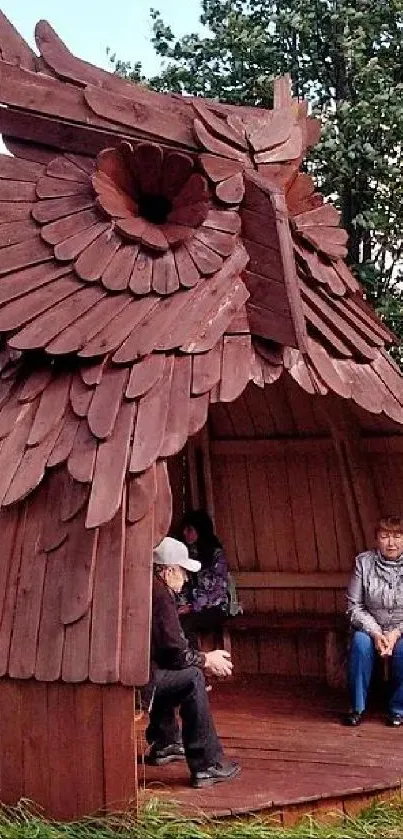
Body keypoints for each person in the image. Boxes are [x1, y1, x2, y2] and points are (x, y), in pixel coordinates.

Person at [143, 536, 241, 788]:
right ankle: (206, 764)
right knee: (192, 678)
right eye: (183, 571)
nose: (186, 579)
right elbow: (177, 654)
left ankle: (165, 743)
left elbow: (168, 651)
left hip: (140, 672)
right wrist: (206, 660)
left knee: (179, 672)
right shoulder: (160, 595)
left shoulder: (148, 588)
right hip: (141, 682)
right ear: (169, 570)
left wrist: (197, 659)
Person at [345, 516, 403, 727]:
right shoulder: (363, 562)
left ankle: (398, 709)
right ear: (377, 539)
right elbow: (354, 607)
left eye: (397, 536)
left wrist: (396, 633)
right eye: (385, 536)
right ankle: (357, 707)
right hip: (370, 627)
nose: (391, 542)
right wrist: (377, 633)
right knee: (360, 644)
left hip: (401, 628)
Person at [177, 510, 231, 648]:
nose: (185, 533)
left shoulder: (216, 555)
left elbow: (217, 592)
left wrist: (192, 607)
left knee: (186, 623)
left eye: (189, 529)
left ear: (200, 530)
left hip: (214, 607)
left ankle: (193, 663)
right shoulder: (187, 552)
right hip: (190, 607)